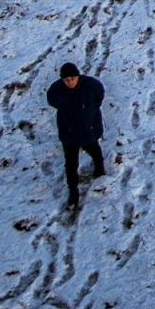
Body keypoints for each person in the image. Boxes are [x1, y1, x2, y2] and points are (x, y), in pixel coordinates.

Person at [46, 62, 106, 208]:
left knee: (95, 151)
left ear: (78, 76)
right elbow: (52, 101)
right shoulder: (57, 91)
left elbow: (99, 96)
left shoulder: (91, 87)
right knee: (71, 164)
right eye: (66, 80)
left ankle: (100, 169)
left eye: (73, 78)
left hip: (88, 131)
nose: (70, 82)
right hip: (70, 134)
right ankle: (73, 190)